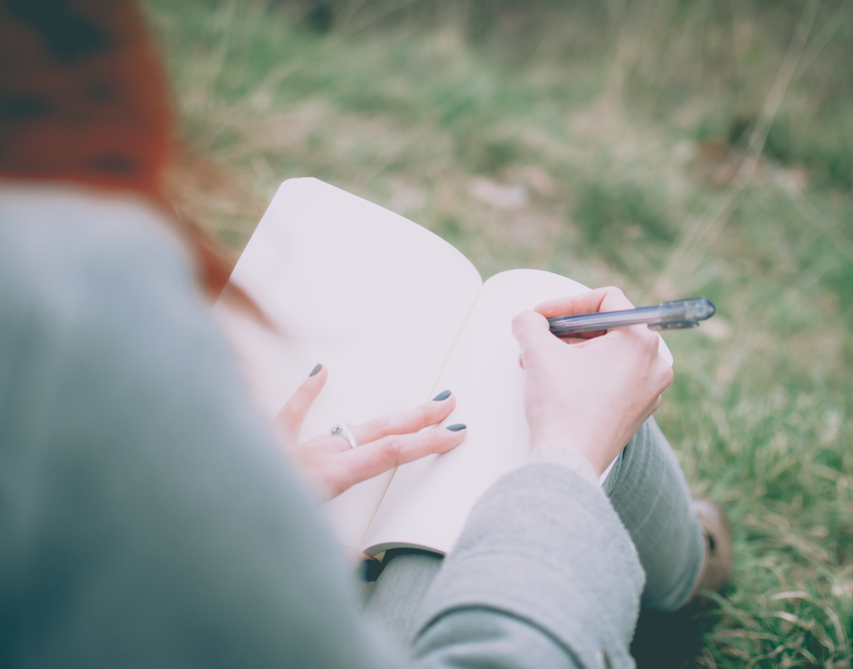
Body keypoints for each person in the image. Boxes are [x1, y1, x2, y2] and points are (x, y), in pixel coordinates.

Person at [0, 1, 731, 667]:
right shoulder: (61, 289)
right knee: (534, 400)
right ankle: (685, 568)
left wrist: (195, 521)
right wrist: (566, 466)